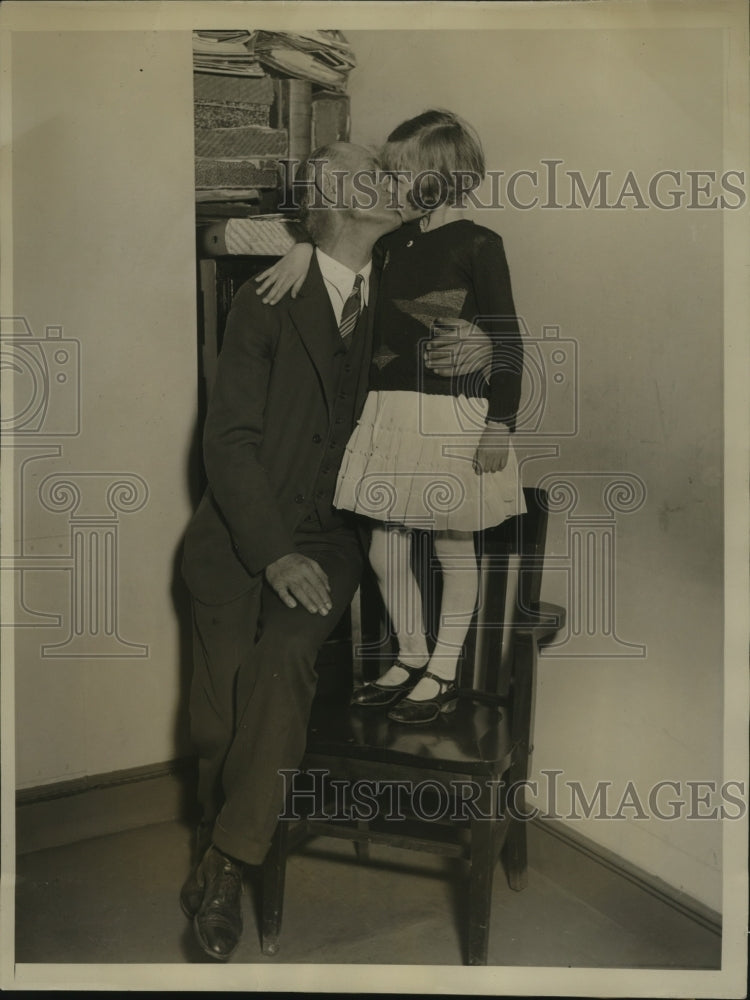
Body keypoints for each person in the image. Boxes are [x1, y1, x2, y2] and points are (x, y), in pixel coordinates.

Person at [179, 141, 493, 961]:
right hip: (236, 540)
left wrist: (490, 351)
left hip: (329, 537)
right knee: (215, 729)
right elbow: (230, 442)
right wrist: (297, 248)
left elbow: (478, 322)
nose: (397, 186)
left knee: (283, 660)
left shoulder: (393, 289)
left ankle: (224, 867)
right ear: (336, 196)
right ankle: (220, 839)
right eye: (377, 176)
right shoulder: (267, 298)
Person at [255, 110, 525, 727]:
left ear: (447, 177)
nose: (394, 185)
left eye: (404, 174)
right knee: (384, 547)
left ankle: (444, 668)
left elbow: (509, 337)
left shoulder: (480, 244)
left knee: (455, 547)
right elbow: (335, 244)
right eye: (391, 173)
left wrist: (500, 423)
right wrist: (301, 247)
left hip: (452, 416)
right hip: (392, 414)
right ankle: (411, 655)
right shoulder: (396, 239)